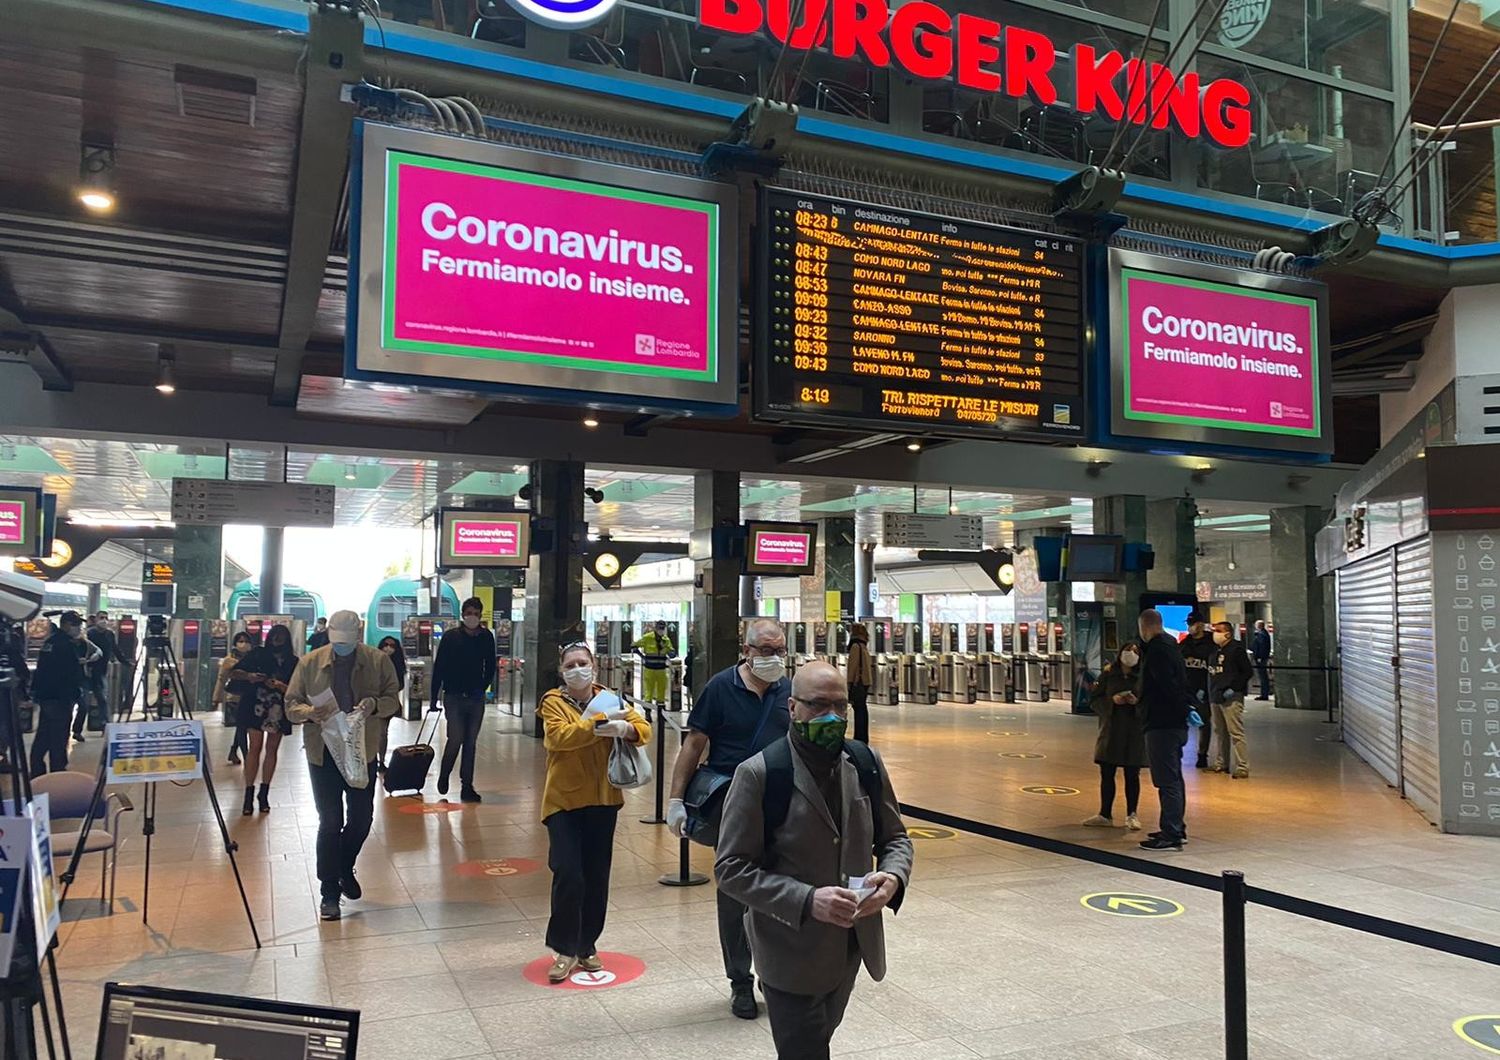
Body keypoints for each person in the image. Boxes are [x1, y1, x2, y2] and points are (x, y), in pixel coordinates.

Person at [715, 661, 914, 1060]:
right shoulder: (760, 774)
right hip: (788, 950)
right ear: (792, 708)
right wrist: (807, 899)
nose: (832, 717)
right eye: (818, 705)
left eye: (841, 706)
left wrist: (892, 877)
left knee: (818, 1039)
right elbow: (730, 868)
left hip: (850, 947)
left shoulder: (865, 764)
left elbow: (895, 839)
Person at [667, 617, 792, 1020]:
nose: (774, 659)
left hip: (783, 806)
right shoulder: (721, 687)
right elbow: (694, 746)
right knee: (734, 895)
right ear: (747, 651)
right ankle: (740, 981)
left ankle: (775, 977)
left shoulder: (791, 691)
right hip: (731, 807)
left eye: (780, 651)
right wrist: (675, 800)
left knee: (781, 892)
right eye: (766, 651)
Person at [537, 642, 650, 981]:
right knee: (569, 873)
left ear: (595, 667)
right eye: (570, 665)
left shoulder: (610, 697)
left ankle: (587, 945)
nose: (577, 670)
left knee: (597, 876)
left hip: (604, 800)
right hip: (563, 802)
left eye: (582, 663)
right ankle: (564, 947)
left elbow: (643, 730)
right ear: (561, 671)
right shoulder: (553, 702)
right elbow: (559, 738)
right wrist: (602, 723)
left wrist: (626, 728)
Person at [285, 610, 401, 921]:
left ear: (359, 637)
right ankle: (329, 893)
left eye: (348, 644)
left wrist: (374, 705)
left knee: (362, 817)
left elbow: (394, 699)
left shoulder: (377, 661)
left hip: (361, 750)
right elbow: (290, 705)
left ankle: (342, 866)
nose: (343, 648)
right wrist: (311, 711)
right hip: (323, 752)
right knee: (329, 820)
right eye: (338, 643)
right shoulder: (310, 663)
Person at [430, 597, 496, 802]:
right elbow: (439, 666)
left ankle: (467, 786)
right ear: (463, 614)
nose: (472, 617)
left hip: (476, 697)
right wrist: (434, 697)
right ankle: (445, 773)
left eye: (476, 613)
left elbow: (491, 664)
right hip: (454, 696)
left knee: (470, 742)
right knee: (456, 737)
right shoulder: (451, 637)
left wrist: (483, 685)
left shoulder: (486, 637)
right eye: (469, 613)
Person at [228, 624, 297, 816]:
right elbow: (234, 672)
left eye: (281, 636)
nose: (277, 640)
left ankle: (264, 792)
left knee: (272, 750)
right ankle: (249, 793)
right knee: (254, 748)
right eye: (275, 635)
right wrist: (251, 676)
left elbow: (298, 687)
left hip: (278, 708)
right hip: (255, 705)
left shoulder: (293, 661)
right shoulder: (258, 654)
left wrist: (282, 686)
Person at [1137, 609, 1191, 852]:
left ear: (1145, 626)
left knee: (1167, 779)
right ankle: (1176, 826)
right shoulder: (1172, 645)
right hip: (1175, 722)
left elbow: (1165, 685)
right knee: (1175, 777)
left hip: (1162, 723)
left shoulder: (1158, 650)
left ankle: (1171, 832)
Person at [1081, 642, 1148, 831]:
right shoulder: (1109, 674)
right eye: (1127, 651)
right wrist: (1112, 701)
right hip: (1111, 730)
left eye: (1135, 652)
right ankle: (1105, 813)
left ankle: (1132, 814)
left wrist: (1136, 703)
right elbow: (1094, 699)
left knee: (1132, 774)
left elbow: (1149, 703)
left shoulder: (1143, 677)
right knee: (1107, 773)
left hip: (1134, 732)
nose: (1131, 655)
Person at [29, 611, 87, 776]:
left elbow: (42, 671)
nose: (78, 628)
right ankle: (58, 773)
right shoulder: (66, 645)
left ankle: (36, 772)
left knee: (43, 736)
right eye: (76, 625)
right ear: (67, 624)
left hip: (47, 697)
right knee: (59, 738)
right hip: (61, 699)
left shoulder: (50, 642)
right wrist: (75, 694)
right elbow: (68, 674)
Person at [1209, 621, 1253, 779]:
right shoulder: (1215, 651)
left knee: (1235, 732)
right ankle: (1221, 762)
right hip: (1216, 695)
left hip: (1231, 697)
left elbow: (1247, 672)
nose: (1215, 633)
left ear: (1227, 633)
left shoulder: (1236, 649)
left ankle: (1242, 766)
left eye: (1219, 631)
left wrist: (1234, 688)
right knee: (1220, 732)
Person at [1179, 612, 1216, 770]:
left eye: (1192, 624)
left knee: (1204, 723)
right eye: (1188, 624)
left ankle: (1202, 754)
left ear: (1200, 625)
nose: (1190, 627)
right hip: (1185, 689)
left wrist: (1205, 689)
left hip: (1203, 689)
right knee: (1180, 722)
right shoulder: (1185, 643)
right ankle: (1178, 751)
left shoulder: (1211, 644)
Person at [213, 632, 255, 766]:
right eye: (240, 641)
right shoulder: (228, 660)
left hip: (250, 697)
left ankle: (233, 751)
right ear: (235, 643)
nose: (243, 644)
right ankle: (246, 756)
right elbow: (221, 680)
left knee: (242, 726)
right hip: (235, 697)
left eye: (246, 641)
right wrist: (216, 699)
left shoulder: (254, 658)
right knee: (242, 727)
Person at [83, 612, 122, 734]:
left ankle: (105, 724)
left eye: (106, 618)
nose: (104, 620)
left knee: (102, 699)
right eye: (101, 618)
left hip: (101, 672)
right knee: (82, 702)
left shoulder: (110, 634)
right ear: (96, 620)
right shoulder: (89, 633)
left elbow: (115, 649)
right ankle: (77, 729)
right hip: (87, 671)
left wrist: (125, 662)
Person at [375, 636, 407, 773]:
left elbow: (400, 684)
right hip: (372, 701)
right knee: (375, 733)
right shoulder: (373, 662)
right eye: (386, 644)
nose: (388, 648)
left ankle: (380, 760)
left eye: (392, 646)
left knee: (382, 733)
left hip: (387, 704)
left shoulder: (397, 665)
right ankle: (373, 759)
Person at [69, 617, 103, 742]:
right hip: (68, 680)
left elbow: (99, 651)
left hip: (82, 679)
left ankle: (77, 731)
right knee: (68, 707)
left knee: (83, 706)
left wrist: (93, 657)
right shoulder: (65, 643)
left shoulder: (85, 643)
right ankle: (65, 730)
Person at [632, 620, 676, 707]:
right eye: (659, 628)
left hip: (661, 669)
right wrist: (642, 656)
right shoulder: (647, 637)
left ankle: (660, 711)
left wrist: (671, 654)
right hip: (649, 669)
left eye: (662, 628)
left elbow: (672, 652)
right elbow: (634, 645)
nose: (661, 630)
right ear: (655, 628)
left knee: (662, 690)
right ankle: (648, 711)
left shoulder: (666, 640)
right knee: (649, 690)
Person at [845, 623, 873, 744]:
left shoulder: (855, 646)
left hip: (858, 682)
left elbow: (853, 666)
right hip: (865, 682)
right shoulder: (864, 645)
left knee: (859, 710)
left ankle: (860, 736)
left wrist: (849, 683)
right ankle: (862, 736)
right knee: (862, 709)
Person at [1251, 620, 1273, 701]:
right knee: (1263, 676)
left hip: (1261, 658)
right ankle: (1264, 693)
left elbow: (1261, 647)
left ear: (1259, 626)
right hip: (1262, 657)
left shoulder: (1261, 635)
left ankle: (1264, 694)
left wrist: (1259, 656)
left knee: (1263, 676)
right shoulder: (1263, 634)